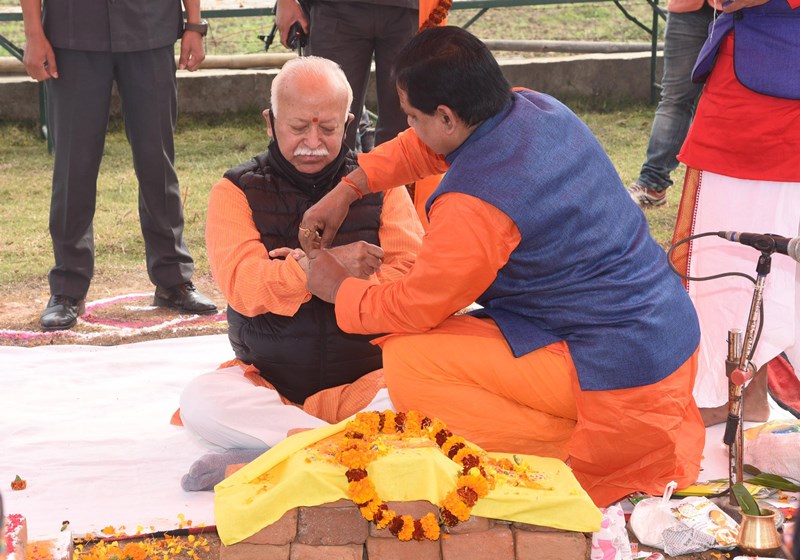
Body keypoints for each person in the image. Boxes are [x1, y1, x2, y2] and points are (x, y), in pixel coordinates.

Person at [300, 26, 705, 507]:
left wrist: (339, 288)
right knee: (443, 336)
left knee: (409, 361)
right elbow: (422, 147)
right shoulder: (534, 107)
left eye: (412, 116)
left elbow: (414, 306)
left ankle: (578, 452)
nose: (408, 127)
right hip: (665, 341)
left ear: (447, 117)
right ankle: (596, 431)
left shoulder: (475, 203)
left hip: (624, 376)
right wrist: (350, 187)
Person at [178, 56, 424, 491]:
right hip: (273, 386)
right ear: (270, 122)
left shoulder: (384, 186)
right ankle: (340, 452)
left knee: (436, 388)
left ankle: (286, 453)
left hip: (371, 382)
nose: (313, 142)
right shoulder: (235, 190)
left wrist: (338, 281)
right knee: (203, 399)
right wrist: (317, 271)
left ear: (348, 124)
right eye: (298, 128)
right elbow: (243, 286)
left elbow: (413, 281)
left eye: (328, 129)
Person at [20, 0, 217, 331]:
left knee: (157, 159)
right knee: (74, 165)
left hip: (150, 25)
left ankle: (173, 279)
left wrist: (194, 25)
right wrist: (32, 32)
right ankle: (67, 287)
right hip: (73, 31)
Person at [671, 0, 800, 422]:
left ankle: (722, 398)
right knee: (739, 266)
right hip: (757, 87)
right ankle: (742, 397)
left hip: (760, 106)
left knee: (721, 264)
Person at [275, 0, 448, 150]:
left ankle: (392, 188)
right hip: (334, 9)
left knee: (407, 125)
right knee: (322, 119)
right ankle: (328, 188)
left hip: (412, 8)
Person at [627, 0, 716, 207]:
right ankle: (652, 184)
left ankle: (735, 186)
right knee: (674, 99)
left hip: (747, 10)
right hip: (687, 10)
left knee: (737, 102)